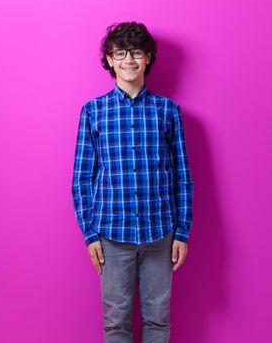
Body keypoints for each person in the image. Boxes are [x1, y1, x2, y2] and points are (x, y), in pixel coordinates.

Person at [71, 21, 194, 343]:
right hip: (112, 234)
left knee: (158, 318)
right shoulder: (93, 111)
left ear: (148, 58)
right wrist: (89, 234)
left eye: (136, 52)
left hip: (160, 233)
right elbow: (81, 178)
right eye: (120, 52)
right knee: (115, 321)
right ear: (109, 60)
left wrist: (181, 232)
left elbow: (182, 176)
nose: (129, 59)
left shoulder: (167, 111)